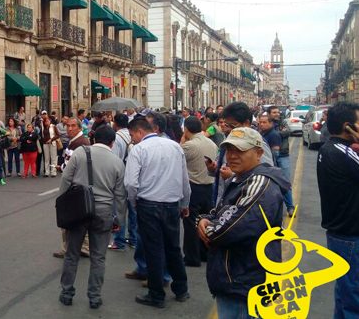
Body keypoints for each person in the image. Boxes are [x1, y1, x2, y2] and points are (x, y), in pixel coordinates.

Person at [197, 127, 289, 318]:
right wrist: (204, 219)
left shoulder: (259, 183)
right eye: (229, 150)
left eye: (240, 151)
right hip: (236, 279)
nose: (232, 156)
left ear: (259, 153)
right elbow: (220, 212)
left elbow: (230, 228)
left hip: (245, 282)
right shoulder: (239, 179)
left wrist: (209, 230)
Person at [124, 117, 191, 308]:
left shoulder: (139, 150)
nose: (132, 139)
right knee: (173, 248)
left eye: (132, 135)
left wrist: (134, 202)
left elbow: (130, 183)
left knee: (154, 250)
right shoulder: (175, 147)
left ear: (139, 132)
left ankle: (156, 294)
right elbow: (184, 179)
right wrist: (185, 203)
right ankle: (181, 289)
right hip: (171, 205)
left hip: (148, 204)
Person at [58, 126, 126, 309]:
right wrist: (119, 219)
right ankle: (94, 296)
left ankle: (67, 292)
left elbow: (66, 179)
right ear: (112, 143)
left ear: (94, 138)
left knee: (72, 254)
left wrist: (61, 203)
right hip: (103, 213)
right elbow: (120, 196)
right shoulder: (117, 162)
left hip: (79, 210)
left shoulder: (80, 153)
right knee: (98, 257)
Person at [316, 102, 359, 318]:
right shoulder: (344, 153)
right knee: (352, 297)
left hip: (340, 233)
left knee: (345, 293)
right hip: (350, 234)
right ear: (348, 126)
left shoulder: (328, 148)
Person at [209, 103, 275, 206]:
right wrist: (214, 168)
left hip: (244, 206)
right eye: (226, 124)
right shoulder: (229, 139)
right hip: (225, 204)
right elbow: (223, 166)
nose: (227, 128)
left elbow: (265, 176)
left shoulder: (257, 143)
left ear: (246, 123)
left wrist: (232, 176)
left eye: (232, 125)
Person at [179, 117, 218, 268]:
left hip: (193, 187)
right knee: (204, 222)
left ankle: (192, 257)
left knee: (190, 223)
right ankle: (204, 253)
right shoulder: (212, 143)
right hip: (208, 186)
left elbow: (177, 155)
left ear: (186, 129)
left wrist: (183, 140)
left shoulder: (189, 145)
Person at [53, 118, 92, 259]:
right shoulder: (80, 141)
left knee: (66, 217)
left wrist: (60, 167)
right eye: (67, 126)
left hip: (74, 185)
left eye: (73, 126)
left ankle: (67, 248)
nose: (69, 129)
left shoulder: (78, 143)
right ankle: (85, 247)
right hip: (82, 184)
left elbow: (69, 168)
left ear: (79, 127)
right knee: (82, 217)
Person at [110, 114, 136, 251]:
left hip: (121, 177)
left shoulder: (117, 137)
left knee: (119, 210)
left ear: (115, 123)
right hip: (134, 175)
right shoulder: (133, 135)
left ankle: (119, 240)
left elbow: (114, 159)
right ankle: (133, 239)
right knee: (133, 209)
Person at [267, 106, 295, 217]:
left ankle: (290, 207)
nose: (277, 114)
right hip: (269, 156)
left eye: (278, 112)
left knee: (285, 182)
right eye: (274, 112)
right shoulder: (266, 124)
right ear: (269, 113)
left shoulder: (282, 122)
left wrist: (275, 134)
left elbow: (288, 132)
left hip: (283, 155)